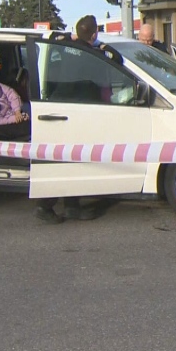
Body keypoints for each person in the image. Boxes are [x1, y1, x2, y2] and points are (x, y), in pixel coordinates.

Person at [32, 15, 110, 225]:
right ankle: (45, 205)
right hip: (79, 112)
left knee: (68, 159)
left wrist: (72, 37)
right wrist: (101, 45)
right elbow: (116, 61)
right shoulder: (94, 54)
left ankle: (71, 205)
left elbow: (61, 39)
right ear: (94, 34)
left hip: (60, 108)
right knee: (67, 161)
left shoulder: (64, 46)